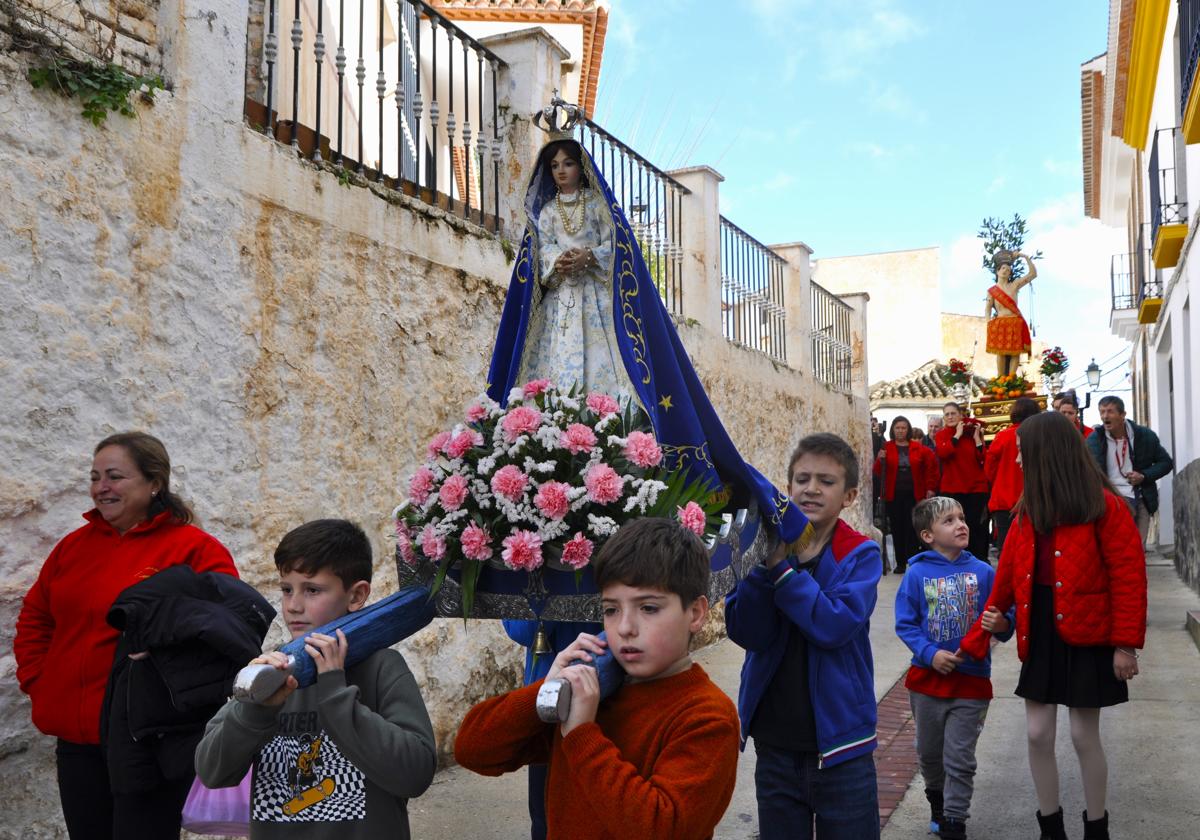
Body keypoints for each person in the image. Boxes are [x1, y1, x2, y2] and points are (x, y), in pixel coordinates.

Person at [454, 517, 740, 840]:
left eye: (648, 608)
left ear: (696, 613)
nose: (625, 627)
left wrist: (582, 736)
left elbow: (662, 827)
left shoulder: (708, 717)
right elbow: (473, 749)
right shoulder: (593, 691)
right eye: (611, 610)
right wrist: (546, 691)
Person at [14, 431, 238, 840]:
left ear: (154, 484)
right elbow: (36, 617)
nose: (102, 487)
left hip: (147, 740)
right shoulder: (72, 549)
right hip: (78, 739)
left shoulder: (194, 550)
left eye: (114, 476)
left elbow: (226, 632)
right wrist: (40, 682)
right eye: (95, 476)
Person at [959, 412, 1147, 840]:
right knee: (1037, 733)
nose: (1019, 460)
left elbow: (1128, 577)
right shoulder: (1026, 512)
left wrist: (1125, 645)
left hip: (1089, 632)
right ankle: (1051, 828)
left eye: (1024, 452)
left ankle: (1096, 827)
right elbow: (1006, 576)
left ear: (1047, 454)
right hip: (1040, 629)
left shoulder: (1107, 507)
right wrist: (982, 632)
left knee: (1084, 735)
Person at [195, 520, 437, 839]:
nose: (294, 606)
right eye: (286, 589)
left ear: (356, 595)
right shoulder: (274, 672)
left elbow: (415, 774)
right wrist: (255, 709)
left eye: (312, 590)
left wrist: (336, 693)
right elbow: (212, 772)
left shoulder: (382, 668)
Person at [726, 433, 883, 840]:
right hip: (776, 745)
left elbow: (833, 625)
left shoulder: (860, 554)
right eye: (802, 479)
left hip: (842, 748)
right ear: (789, 484)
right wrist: (762, 568)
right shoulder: (763, 548)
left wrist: (782, 572)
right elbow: (749, 632)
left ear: (849, 496)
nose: (811, 488)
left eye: (826, 481)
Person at [894, 497, 1012, 840]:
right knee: (930, 755)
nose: (961, 524)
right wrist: (930, 654)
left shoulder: (983, 572)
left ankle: (954, 822)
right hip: (927, 683)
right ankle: (937, 801)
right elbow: (906, 625)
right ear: (928, 535)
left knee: (960, 758)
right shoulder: (916, 574)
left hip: (972, 682)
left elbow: (1007, 615)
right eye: (949, 520)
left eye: (962, 518)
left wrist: (1003, 623)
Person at [501, 617, 601, 840]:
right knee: (545, 812)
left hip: (604, 691)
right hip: (548, 701)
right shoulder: (518, 580)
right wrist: (541, 588)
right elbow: (522, 632)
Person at [1086, 395, 1174, 543]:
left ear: (1122, 415)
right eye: (1102, 412)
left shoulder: (1145, 436)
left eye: (1110, 411)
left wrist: (1144, 475)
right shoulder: (1094, 440)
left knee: (1139, 548)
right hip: (1112, 500)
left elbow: (1166, 463)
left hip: (1140, 497)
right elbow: (1086, 470)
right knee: (1120, 547)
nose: (1105, 416)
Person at [873, 416, 939, 573]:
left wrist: (930, 488)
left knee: (912, 527)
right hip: (893, 494)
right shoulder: (886, 447)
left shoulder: (919, 448)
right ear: (893, 430)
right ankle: (901, 562)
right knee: (897, 528)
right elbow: (876, 472)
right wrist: (879, 459)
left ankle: (913, 559)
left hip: (914, 493)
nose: (900, 431)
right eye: (897, 428)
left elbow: (931, 469)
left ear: (908, 430)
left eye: (903, 428)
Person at [934, 403, 990, 561]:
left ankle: (977, 559)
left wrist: (977, 439)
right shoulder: (942, 435)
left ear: (961, 415)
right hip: (952, 488)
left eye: (953, 413)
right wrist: (957, 435)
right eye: (947, 414)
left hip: (975, 488)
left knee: (975, 526)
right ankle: (955, 557)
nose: (950, 417)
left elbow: (982, 458)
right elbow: (944, 453)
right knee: (953, 526)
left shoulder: (972, 431)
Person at [985, 396, 1041, 553]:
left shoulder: (1003, 436)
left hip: (1004, 499)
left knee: (1006, 544)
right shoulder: (1038, 435)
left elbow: (989, 469)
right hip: (1032, 498)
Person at [984, 249, 1036, 376]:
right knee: (1001, 352)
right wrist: (988, 322)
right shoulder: (992, 291)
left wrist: (1025, 257)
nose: (1006, 271)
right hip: (1001, 322)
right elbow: (988, 308)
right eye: (1003, 268)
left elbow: (1032, 274)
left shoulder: (1014, 285)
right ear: (997, 271)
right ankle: (1001, 379)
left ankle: (1012, 379)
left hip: (1015, 321)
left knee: (1015, 352)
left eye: (1008, 270)